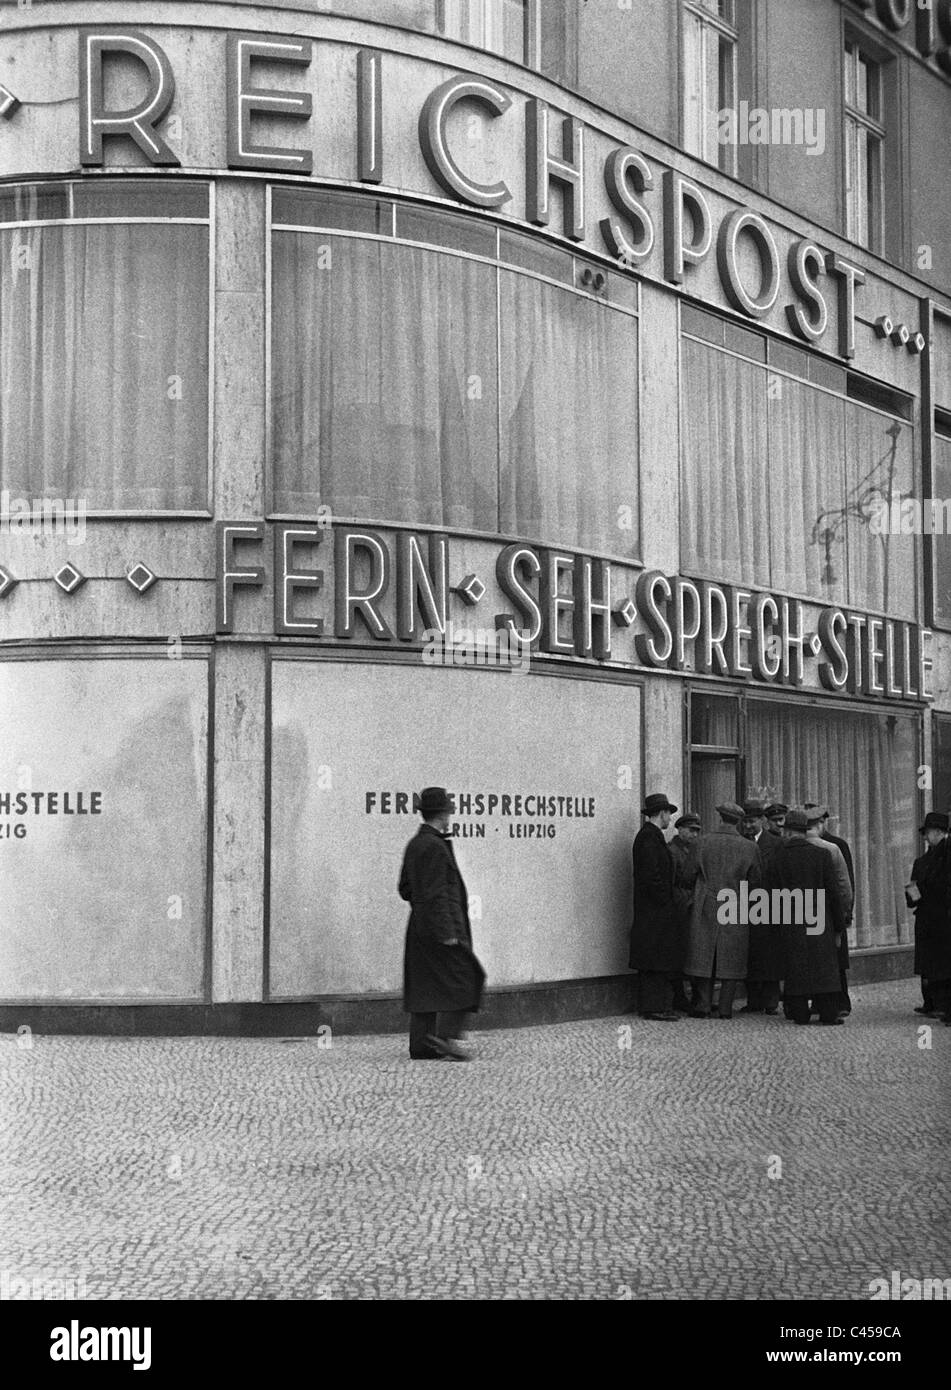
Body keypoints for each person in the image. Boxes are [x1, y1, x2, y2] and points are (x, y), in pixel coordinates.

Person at [398, 786, 486, 1060]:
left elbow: (405, 889)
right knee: (469, 975)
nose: (450, 816)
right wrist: (447, 932)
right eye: (449, 811)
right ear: (443, 815)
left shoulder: (416, 843)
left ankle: (423, 1046)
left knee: (425, 984)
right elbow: (438, 894)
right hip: (440, 928)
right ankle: (446, 1039)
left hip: (420, 926)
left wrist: (422, 907)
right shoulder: (434, 846)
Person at [765, 809, 846, 1025]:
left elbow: (771, 896)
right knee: (824, 967)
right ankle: (829, 1014)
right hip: (820, 919)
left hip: (790, 922)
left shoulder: (776, 858)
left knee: (796, 968)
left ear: (788, 832)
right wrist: (839, 926)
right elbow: (833, 894)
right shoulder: (822, 855)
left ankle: (800, 1014)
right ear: (803, 831)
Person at [685, 801, 760, 1021]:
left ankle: (704, 1004)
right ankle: (726, 1007)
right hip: (735, 904)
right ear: (738, 821)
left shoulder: (702, 842)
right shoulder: (750, 847)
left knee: (704, 953)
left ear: (719, 817)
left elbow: (688, 875)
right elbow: (756, 882)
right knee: (732, 955)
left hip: (705, 902)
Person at [630, 793, 683, 1021]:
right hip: (654, 912)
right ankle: (654, 1007)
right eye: (669, 813)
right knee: (655, 959)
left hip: (652, 911)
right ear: (661, 813)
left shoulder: (649, 837)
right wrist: (665, 901)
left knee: (655, 958)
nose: (670, 818)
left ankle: (654, 1005)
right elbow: (652, 876)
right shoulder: (649, 838)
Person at [805, 801, 855, 1017]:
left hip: (831, 911)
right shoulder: (828, 845)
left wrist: (847, 912)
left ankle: (841, 1001)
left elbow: (846, 880)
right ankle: (826, 1002)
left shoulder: (837, 845)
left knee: (837, 960)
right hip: (830, 911)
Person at [905, 811, 951, 1022]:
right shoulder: (922, 861)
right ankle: (931, 1001)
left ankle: (940, 1004)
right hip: (927, 916)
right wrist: (912, 893)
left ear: (940, 833)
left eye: (929, 832)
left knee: (939, 962)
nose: (925, 837)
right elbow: (914, 887)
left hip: (940, 917)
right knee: (928, 962)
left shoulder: (943, 858)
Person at [741, 798, 781, 1015]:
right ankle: (754, 999)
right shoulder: (739, 842)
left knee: (769, 954)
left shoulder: (775, 843)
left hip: (769, 904)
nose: (748, 826)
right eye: (745, 822)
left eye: (752, 821)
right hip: (744, 906)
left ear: (763, 821)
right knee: (750, 954)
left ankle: (771, 1000)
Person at [669, 813, 702, 1012]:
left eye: (697, 831)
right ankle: (680, 997)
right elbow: (671, 882)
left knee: (695, 953)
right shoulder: (673, 851)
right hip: (680, 908)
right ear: (680, 829)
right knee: (680, 953)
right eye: (691, 830)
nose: (694, 834)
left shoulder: (695, 850)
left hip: (694, 906)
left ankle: (697, 998)